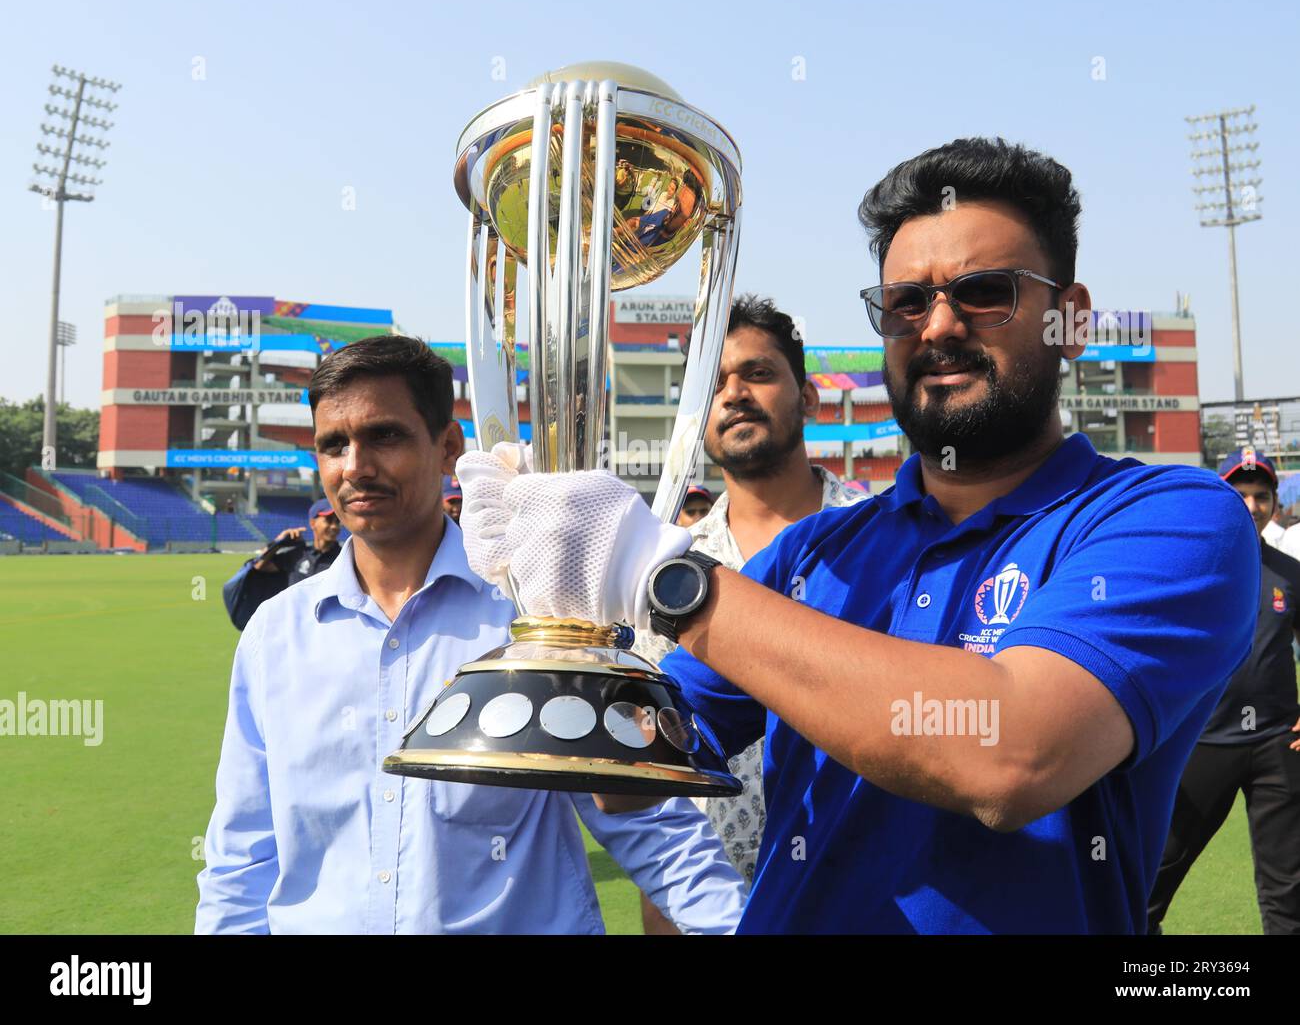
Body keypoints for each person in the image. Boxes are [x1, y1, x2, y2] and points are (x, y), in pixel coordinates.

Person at [457, 137, 1260, 934]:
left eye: (984, 293)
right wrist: (568, 618)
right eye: (907, 303)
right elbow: (633, 775)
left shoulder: (1166, 515)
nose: (939, 326)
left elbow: (1012, 754)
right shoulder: (812, 555)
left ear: (1070, 320)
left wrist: (654, 571)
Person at [196, 335, 745, 934]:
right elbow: (242, 855)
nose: (355, 466)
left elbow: (650, 824)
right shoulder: (275, 636)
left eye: (384, 435)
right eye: (334, 445)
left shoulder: (538, 617)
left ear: (447, 447)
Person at [637, 293, 867, 936]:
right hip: (713, 909)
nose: (734, 393)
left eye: (758, 374)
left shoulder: (887, 537)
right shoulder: (662, 569)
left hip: (870, 898)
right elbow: (661, 781)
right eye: (713, 384)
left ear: (811, 399)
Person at [1147, 449, 1300, 935]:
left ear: (1275, 505)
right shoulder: (1188, 567)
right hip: (1204, 741)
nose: (1252, 504)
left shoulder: (1290, 573)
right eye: (1241, 493)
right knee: (1156, 875)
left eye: (1262, 496)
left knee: (1288, 887)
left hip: (1278, 743)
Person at [220, 498, 343, 631]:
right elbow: (259, 566)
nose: (334, 526)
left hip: (329, 627)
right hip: (295, 627)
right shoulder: (297, 555)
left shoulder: (343, 557)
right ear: (312, 523)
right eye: (329, 520)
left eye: (337, 521)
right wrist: (279, 543)